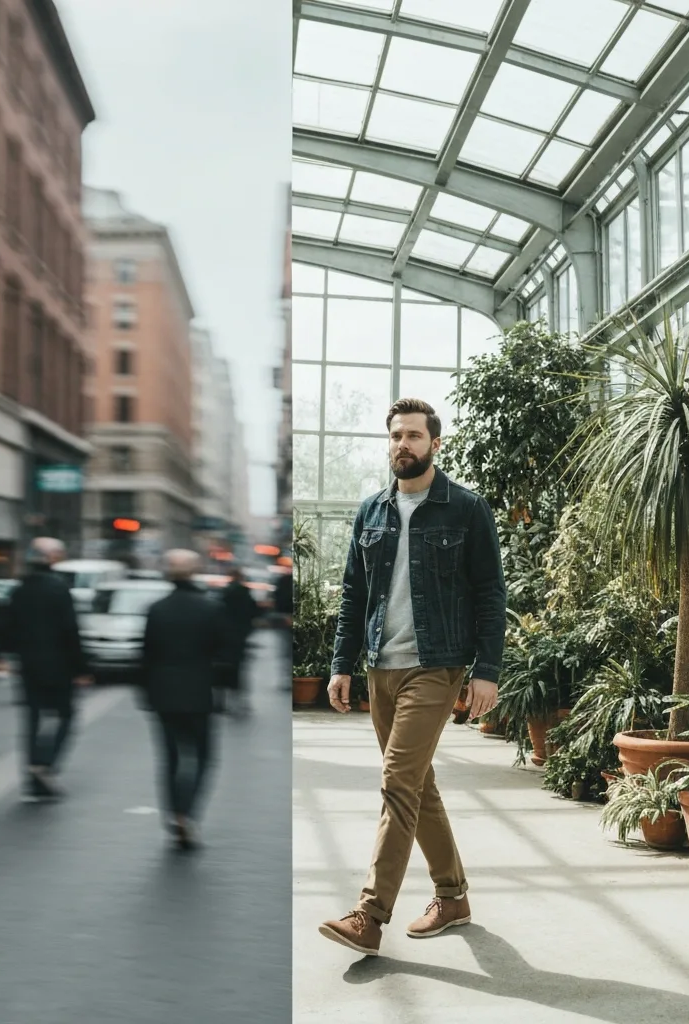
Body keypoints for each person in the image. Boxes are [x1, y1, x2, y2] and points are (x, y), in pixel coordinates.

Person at [319, 398, 507, 957]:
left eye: (414, 436)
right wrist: (340, 664)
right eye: (396, 435)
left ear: (435, 444)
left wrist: (487, 672)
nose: (403, 444)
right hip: (382, 667)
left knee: (397, 782)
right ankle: (453, 897)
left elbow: (490, 595)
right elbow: (355, 596)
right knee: (418, 786)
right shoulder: (371, 511)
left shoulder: (466, 510)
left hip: (436, 665)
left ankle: (370, 915)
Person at [141, 549, 228, 851]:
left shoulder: (156, 609)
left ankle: (174, 812)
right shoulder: (209, 608)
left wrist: (146, 693)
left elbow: (145, 655)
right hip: (198, 694)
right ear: (195, 572)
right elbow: (224, 653)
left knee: (170, 758)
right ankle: (187, 813)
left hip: (163, 694)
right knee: (203, 757)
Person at [3, 538, 91, 801]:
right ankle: (45, 762)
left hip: (28, 665)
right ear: (51, 557)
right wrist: (81, 668)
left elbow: (8, 628)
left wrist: (16, 656)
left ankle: (32, 776)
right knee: (65, 715)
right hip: (59, 664)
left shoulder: (20, 589)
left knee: (32, 719)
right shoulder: (59, 589)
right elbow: (70, 631)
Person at [219, 567, 259, 716]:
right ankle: (240, 700)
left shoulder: (225, 592)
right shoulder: (244, 592)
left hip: (225, 636)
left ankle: (222, 701)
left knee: (224, 669)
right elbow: (253, 611)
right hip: (239, 636)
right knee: (238, 669)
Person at [273, 566, 293, 692]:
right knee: (286, 651)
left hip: (285, 618)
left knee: (286, 651)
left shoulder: (284, 580)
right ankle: (286, 678)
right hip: (285, 619)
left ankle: (287, 679)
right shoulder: (285, 581)